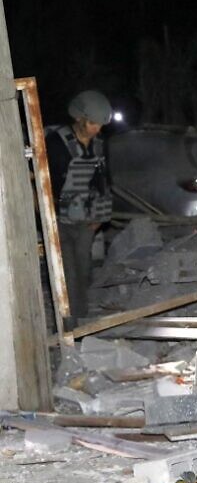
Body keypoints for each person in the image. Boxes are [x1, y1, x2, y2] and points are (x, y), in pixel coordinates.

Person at [45, 90, 113, 321]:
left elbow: (104, 183)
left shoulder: (98, 146)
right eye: (93, 123)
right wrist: (46, 214)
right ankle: (66, 323)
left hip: (86, 219)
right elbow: (43, 180)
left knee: (83, 271)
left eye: (100, 125)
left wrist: (100, 217)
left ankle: (81, 321)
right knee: (66, 272)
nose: (97, 129)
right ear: (79, 118)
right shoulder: (55, 143)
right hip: (59, 220)